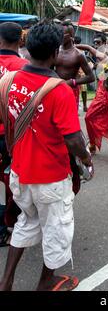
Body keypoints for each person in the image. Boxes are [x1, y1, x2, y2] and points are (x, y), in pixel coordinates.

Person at [0, 22, 93, 292]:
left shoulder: (7, 81)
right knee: (56, 230)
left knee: (26, 222)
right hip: (50, 177)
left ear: (27, 48)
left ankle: (5, 282)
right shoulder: (58, 89)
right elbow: (74, 141)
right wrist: (87, 160)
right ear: (54, 52)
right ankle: (45, 283)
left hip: (20, 172)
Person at [0, 23, 29, 248]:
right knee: (12, 180)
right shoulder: (25, 67)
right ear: (20, 41)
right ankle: (11, 226)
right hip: (12, 136)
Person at [55, 22, 95, 108]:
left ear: (71, 36)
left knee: (69, 118)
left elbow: (91, 77)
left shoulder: (78, 55)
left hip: (71, 90)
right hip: (56, 88)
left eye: (63, 34)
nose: (59, 36)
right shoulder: (55, 51)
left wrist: (72, 82)